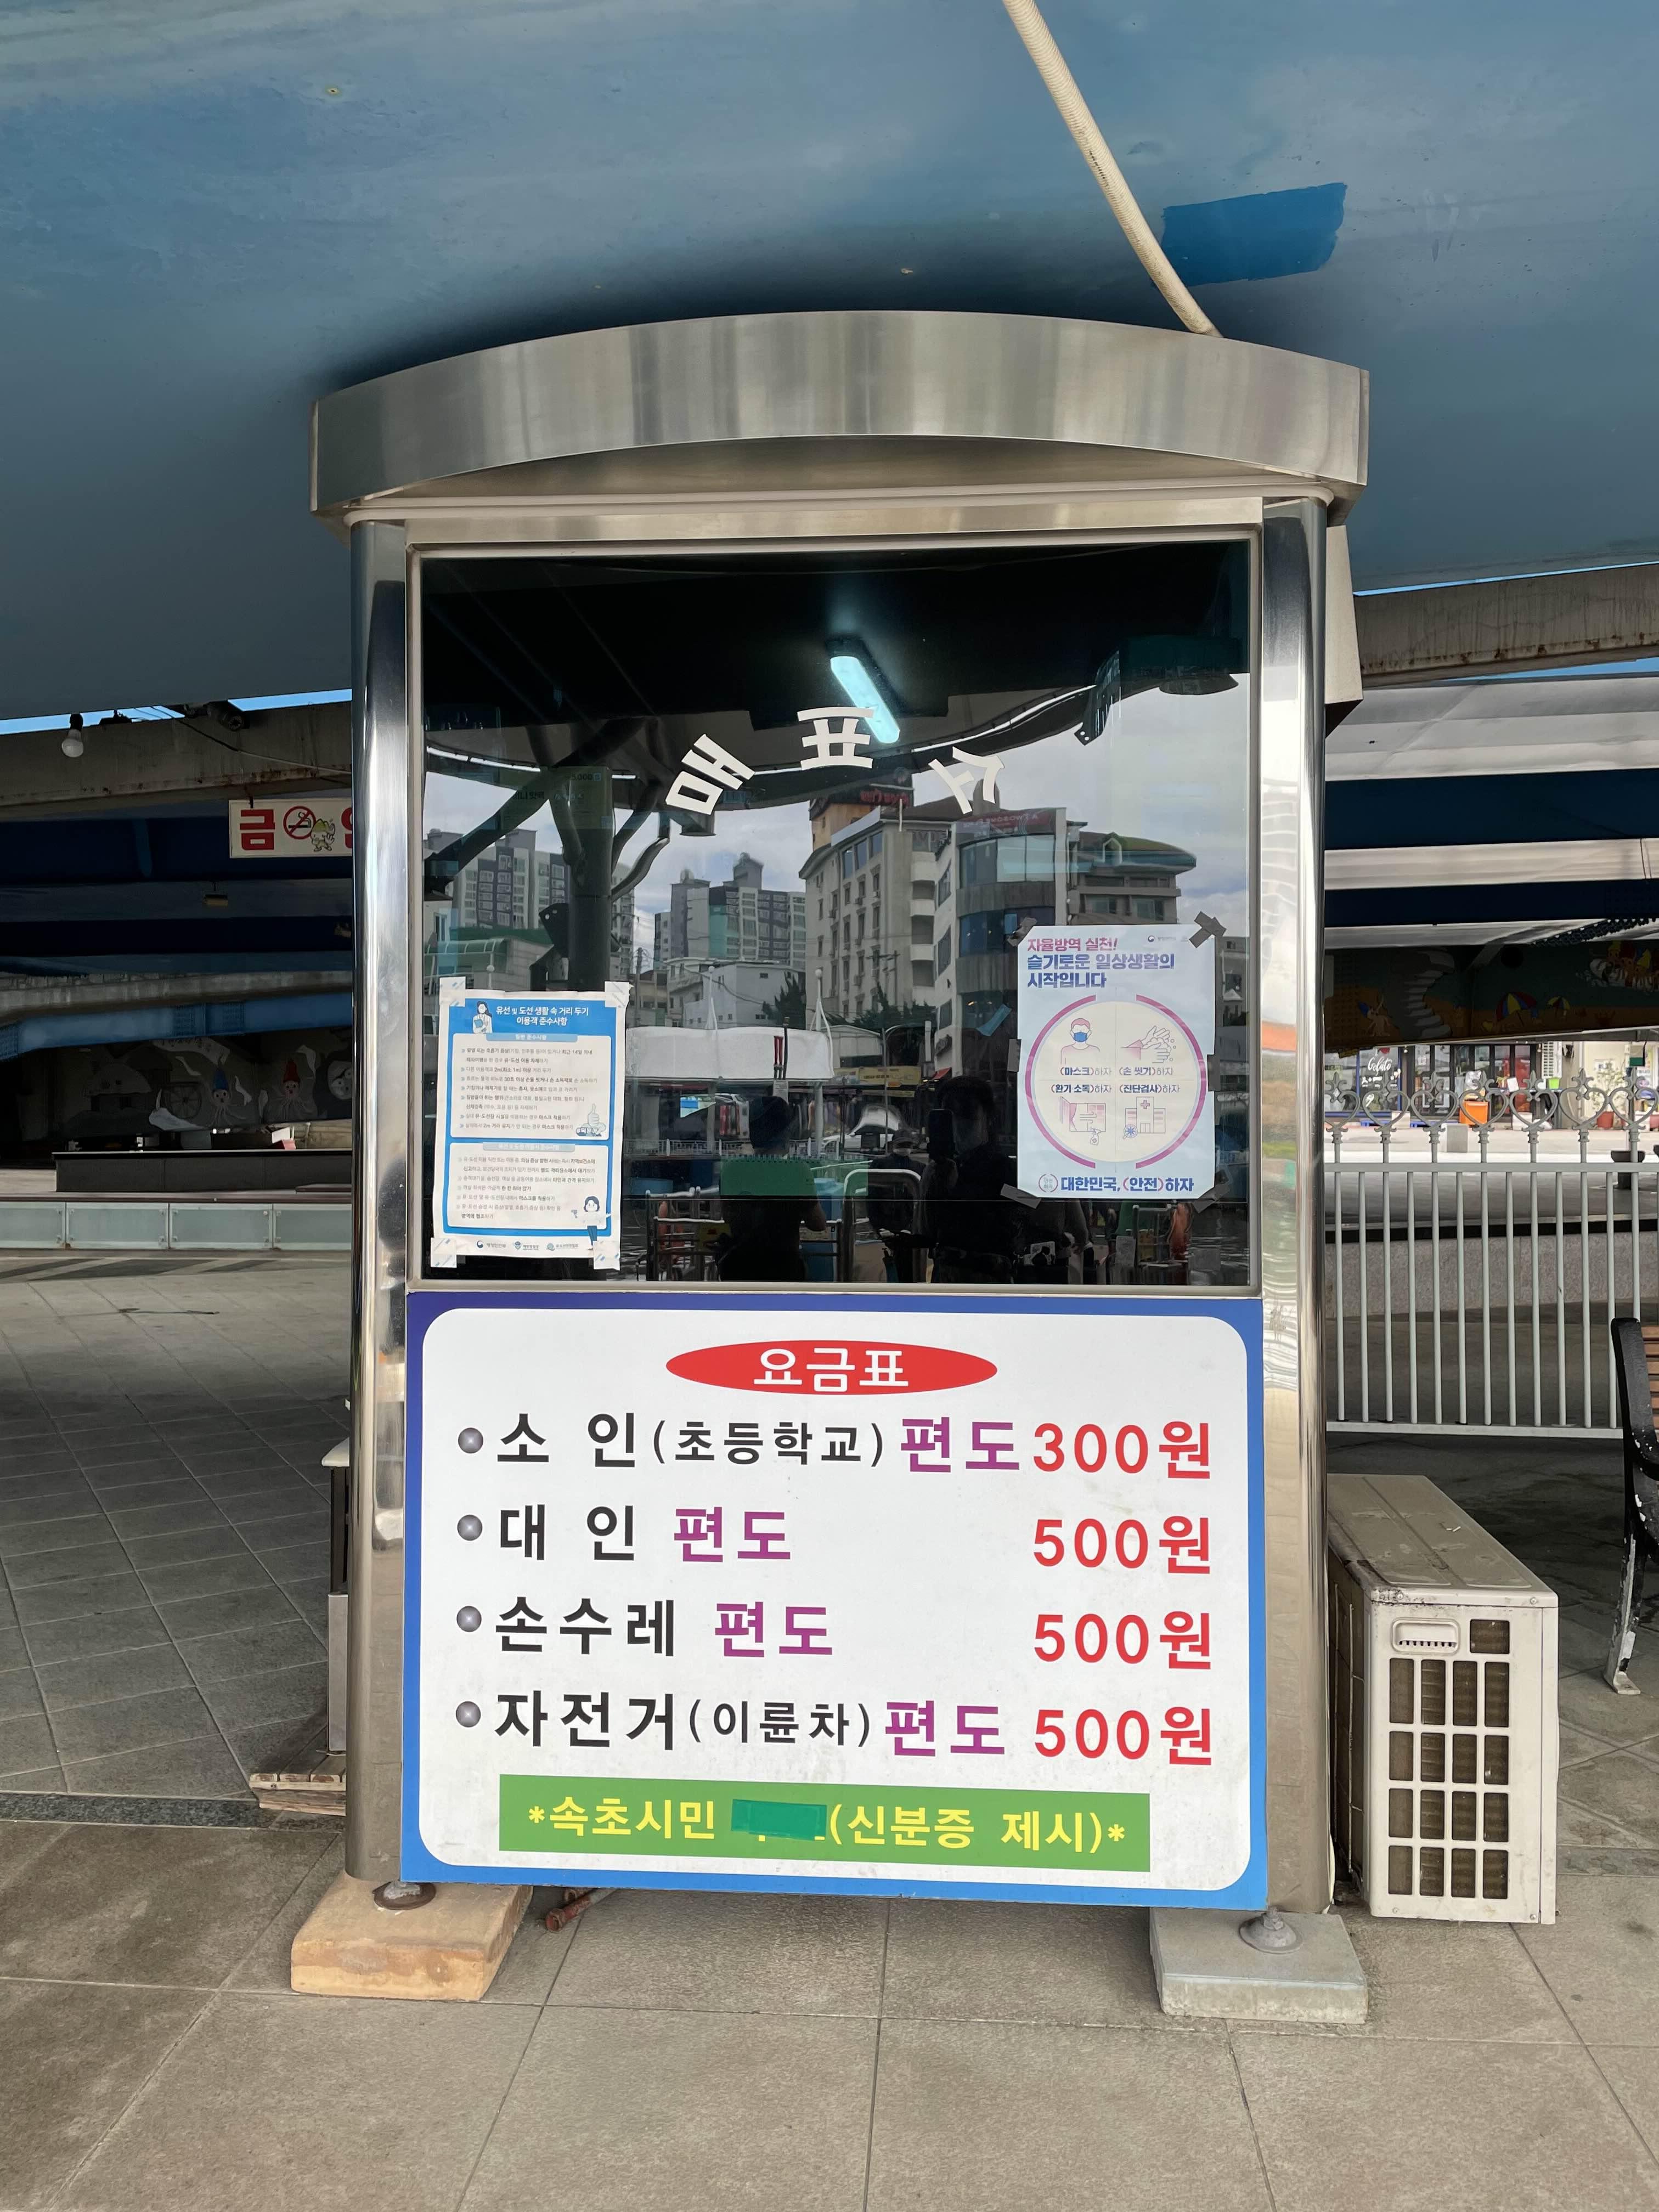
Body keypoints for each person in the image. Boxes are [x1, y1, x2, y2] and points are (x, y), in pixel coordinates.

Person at [917, 1076, 1024, 1283]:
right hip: (947, 1279)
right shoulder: (936, 1171)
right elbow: (926, 1230)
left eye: (967, 1113)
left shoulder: (1004, 1169)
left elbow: (1030, 1206)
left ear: (988, 1118)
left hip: (991, 1281)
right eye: (949, 1116)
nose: (959, 1124)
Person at [716, 1096, 826, 1281]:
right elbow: (818, 1224)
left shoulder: (732, 1169)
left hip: (740, 1267)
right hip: (785, 1268)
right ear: (787, 1133)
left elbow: (728, 1216)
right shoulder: (797, 1171)